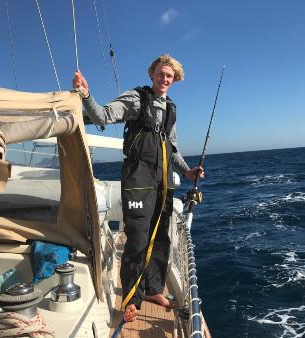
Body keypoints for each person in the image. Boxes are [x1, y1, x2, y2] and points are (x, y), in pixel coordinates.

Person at [73, 54, 203, 322]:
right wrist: (86, 94)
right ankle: (132, 298)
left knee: (161, 237)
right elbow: (103, 115)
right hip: (138, 179)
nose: (164, 79)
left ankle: (153, 289)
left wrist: (187, 172)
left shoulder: (170, 109)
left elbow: (172, 148)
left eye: (169, 76)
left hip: (163, 181)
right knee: (138, 238)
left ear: (174, 80)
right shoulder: (136, 99)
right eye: (160, 73)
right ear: (152, 74)